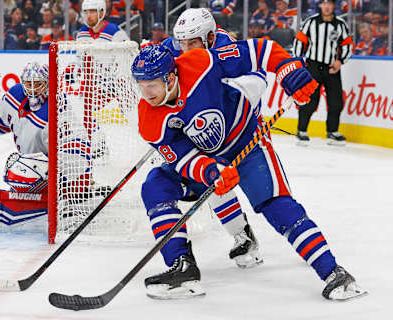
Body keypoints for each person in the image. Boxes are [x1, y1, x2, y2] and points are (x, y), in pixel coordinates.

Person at [131, 44, 366, 301]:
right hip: (210, 158)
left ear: (171, 77)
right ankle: (183, 268)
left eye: (152, 84)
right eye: (141, 85)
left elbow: (260, 50)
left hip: (248, 143)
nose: (146, 93)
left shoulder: (201, 63)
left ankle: (333, 273)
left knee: (277, 206)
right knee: (155, 185)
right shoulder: (149, 119)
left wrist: (287, 68)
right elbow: (184, 159)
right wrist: (210, 172)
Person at [163, 8, 264, 269]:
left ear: (207, 37)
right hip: (204, 128)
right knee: (213, 182)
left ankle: (275, 230)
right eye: (181, 42)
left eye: (192, 41)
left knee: (264, 192)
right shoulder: (179, 45)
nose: (185, 48)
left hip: (237, 128)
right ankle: (241, 234)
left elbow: (252, 82)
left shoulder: (225, 49)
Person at [0, 62, 91, 230]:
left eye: (39, 84)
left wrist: (55, 173)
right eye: (29, 84)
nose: (33, 89)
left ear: (48, 83)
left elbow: (79, 152)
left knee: (23, 169)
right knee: (19, 170)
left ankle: (67, 203)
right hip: (36, 165)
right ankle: (34, 196)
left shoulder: (57, 109)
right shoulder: (15, 96)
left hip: (66, 169)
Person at [292, 0, 353, 146]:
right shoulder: (310, 22)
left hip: (332, 67)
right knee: (310, 100)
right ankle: (302, 131)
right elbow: (299, 42)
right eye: (323, 4)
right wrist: (299, 63)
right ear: (320, 6)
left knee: (336, 101)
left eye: (329, 4)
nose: (326, 7)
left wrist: (340, 61)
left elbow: (347, 45)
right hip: (313, 66)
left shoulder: (340, 24)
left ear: (333, 6)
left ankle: (332, 131)